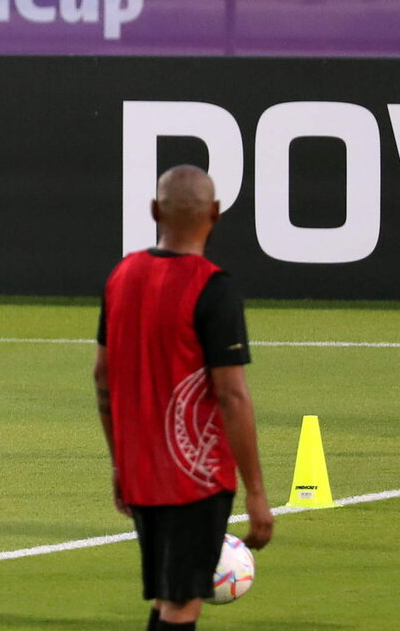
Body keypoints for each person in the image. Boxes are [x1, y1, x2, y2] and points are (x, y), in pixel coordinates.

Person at [93, 165, 274, 630]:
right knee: (182, 605)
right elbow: (232, 396)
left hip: (141, 470)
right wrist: (256, 492)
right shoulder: (214, 288)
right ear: (215, 214)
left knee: (165, 599)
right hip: (194, 478)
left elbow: (102, 378)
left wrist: (120, 462)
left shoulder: (121, 276)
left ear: (155, 210)